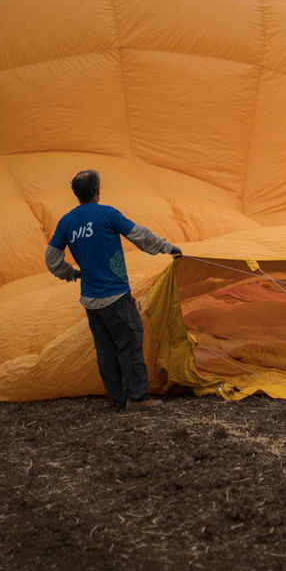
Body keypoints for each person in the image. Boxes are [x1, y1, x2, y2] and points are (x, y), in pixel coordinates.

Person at [45, 169, 182, 412]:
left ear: (76, 194)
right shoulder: (106, 214)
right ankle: (137, 398)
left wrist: (71, 273)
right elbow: (139, 235)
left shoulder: (67, 222)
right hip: (115, 295)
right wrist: (168, 247)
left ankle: (119, 399)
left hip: (90, 300)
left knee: (106, 351)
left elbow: (52, 258)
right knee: (130, 343)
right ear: (97, 191)